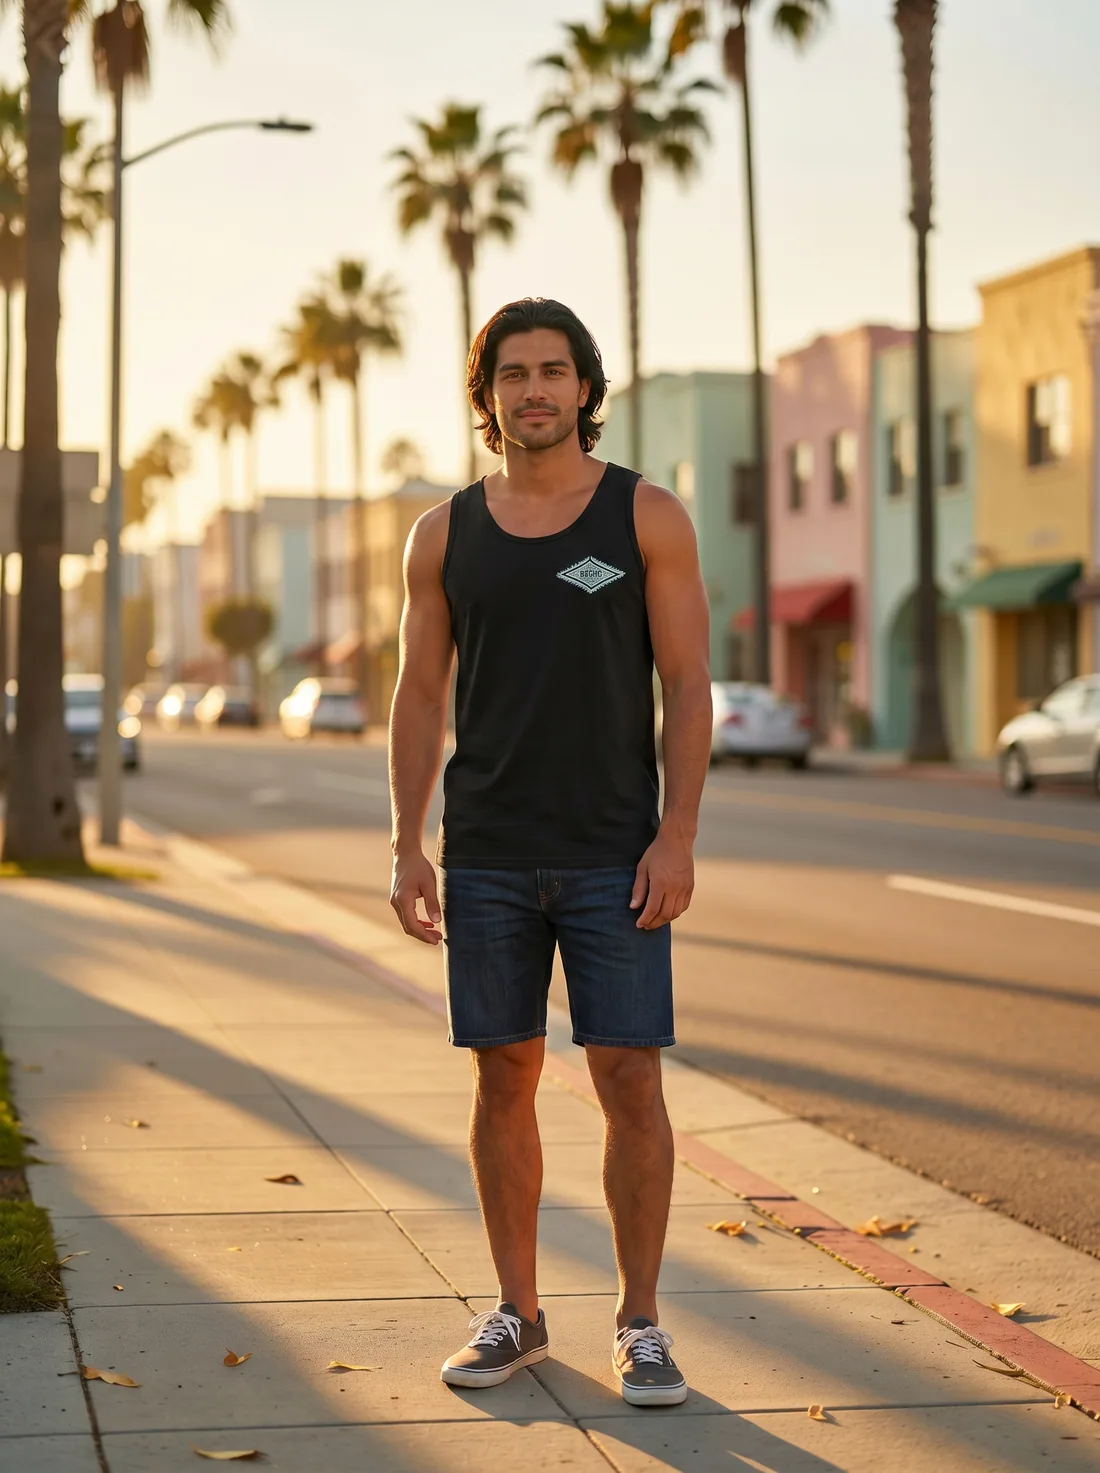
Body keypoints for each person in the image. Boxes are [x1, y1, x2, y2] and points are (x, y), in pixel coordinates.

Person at [388, 297, 711, 1406]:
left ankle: (640, 1323)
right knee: (504, 1077)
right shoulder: (444, 535)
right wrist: (406, 843)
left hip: (615, 852)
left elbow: (687, 686)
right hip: (484, 851)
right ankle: (517, 1313)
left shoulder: (643, 516)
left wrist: (677, 834)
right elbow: (418, 694)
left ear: (585, 387)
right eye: (513, 374)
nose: (534, 390)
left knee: (629, 1078)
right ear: (487, 397)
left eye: (553, 371)